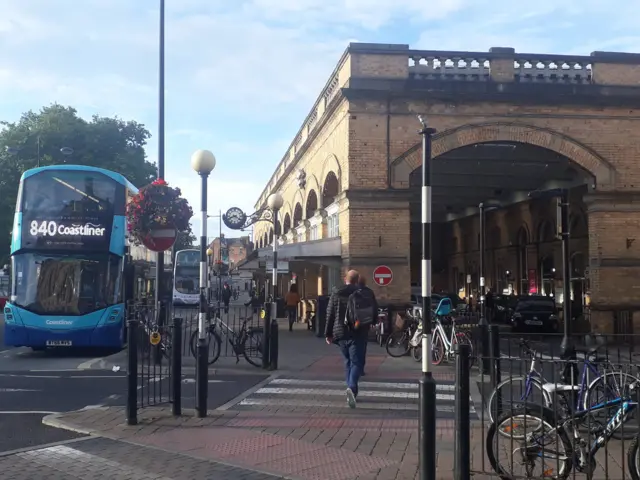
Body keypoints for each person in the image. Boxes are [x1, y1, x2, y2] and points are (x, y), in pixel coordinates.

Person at [325, 270, 376, 408]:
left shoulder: (336, 293)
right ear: (357, 280)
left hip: (340, 332)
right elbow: (374, 310)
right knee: (357, 362)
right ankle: (352, 388)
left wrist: (328, 333)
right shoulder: (364, 293)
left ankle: (351, 390)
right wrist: (372, 323)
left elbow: (329, 314)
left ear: (345, 279)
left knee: (348, 361)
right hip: (358, 331)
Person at [356, 275, 378, 377]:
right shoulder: (369, 292)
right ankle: (360, 368)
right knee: (362, 345)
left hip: (353, 322)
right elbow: (374, 306)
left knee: (353, 345)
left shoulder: (352, 292)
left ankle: (354, 366)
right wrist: (374, 321)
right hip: (365, 322)